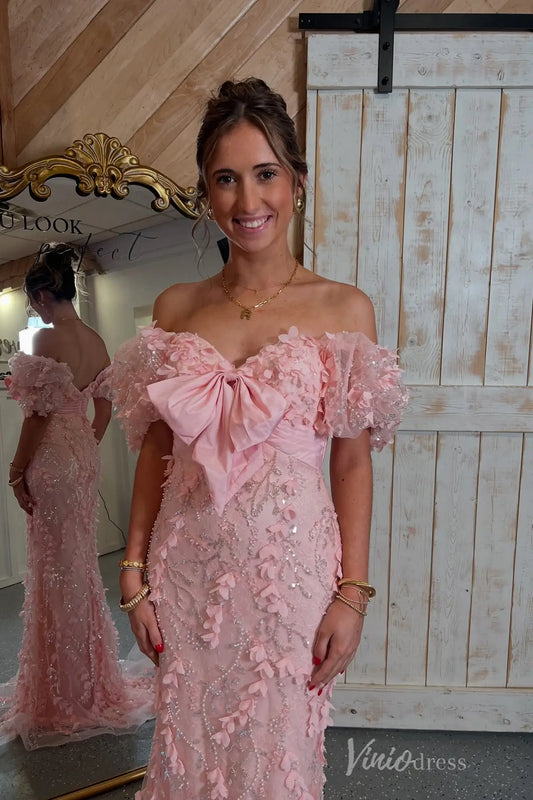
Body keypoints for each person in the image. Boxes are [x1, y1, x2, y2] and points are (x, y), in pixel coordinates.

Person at [112, 78, 408, 799]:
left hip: (290, 581)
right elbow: (155, 448)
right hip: (187, 574)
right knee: (186, 752)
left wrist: (352, 593)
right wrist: (134, 567)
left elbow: (350, 461)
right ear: (205, 192)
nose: (248, 200)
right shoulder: (175, 307)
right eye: (226, 179)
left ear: (296, 181)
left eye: (265, 173)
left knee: (279, 756)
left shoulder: (343, 308)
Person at [0, 243, 154, 750]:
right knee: (78, 564)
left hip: (50, 456)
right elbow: (104, 408)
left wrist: (16, 470)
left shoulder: (46, 339)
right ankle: (85, 678)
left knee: (54, 567)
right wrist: (84, 441)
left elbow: (37, 416)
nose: (36, 311)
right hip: (82, 454)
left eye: (34, 302)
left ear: (44, 295)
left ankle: (61, 688)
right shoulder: (95, 339)